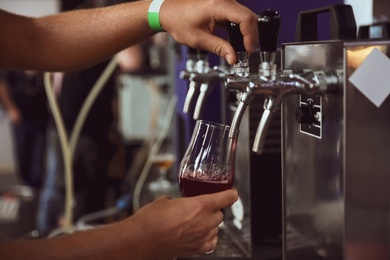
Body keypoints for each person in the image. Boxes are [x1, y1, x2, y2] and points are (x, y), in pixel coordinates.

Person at [0, 0, 258, 259]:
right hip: (81, 130)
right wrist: (140, 239)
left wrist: (161, 12)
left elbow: (36, 38)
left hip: (71, 126)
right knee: (65, 189)